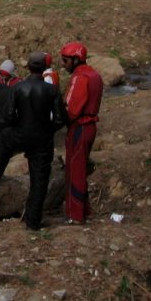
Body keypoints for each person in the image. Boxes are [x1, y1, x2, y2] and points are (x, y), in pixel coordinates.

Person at [0, 53, 66, 231]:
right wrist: (47, 129)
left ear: (28, 67)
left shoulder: (18, 88)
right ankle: (33, 222)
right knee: (40, 181)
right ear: (44, 68)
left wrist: (18, 125)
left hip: (20, 133)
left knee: (4, 139)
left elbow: (8, 115)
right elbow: (60, 119)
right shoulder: (51, 90)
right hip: (42, 139)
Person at [60, 41, 103, 224]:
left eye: (66, 60)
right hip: (90, 125)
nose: (63, 64)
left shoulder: (80, 78)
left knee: (74, 170)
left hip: (80, 126)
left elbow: (71, 108)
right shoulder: (95, 75)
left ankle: (75, 215)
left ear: (76, 60)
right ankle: (85, 210)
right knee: (81, 169)